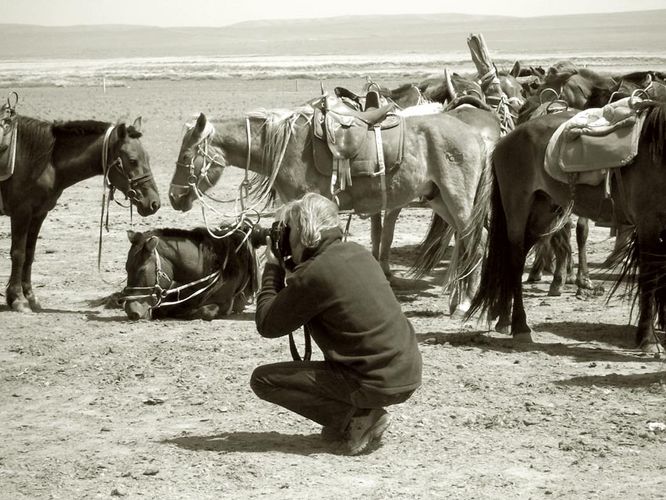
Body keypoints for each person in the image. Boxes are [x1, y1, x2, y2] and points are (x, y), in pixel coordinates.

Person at [251, 192, 422, 455]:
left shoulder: (315, 273)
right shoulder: (358, 252)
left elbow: (267, 323)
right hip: (406, 373)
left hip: (375, 382)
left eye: (288, 232)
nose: (284, 239)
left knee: (263, 379)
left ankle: (356, 418)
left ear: (303, 231)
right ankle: (356, 415)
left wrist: (272, 267)